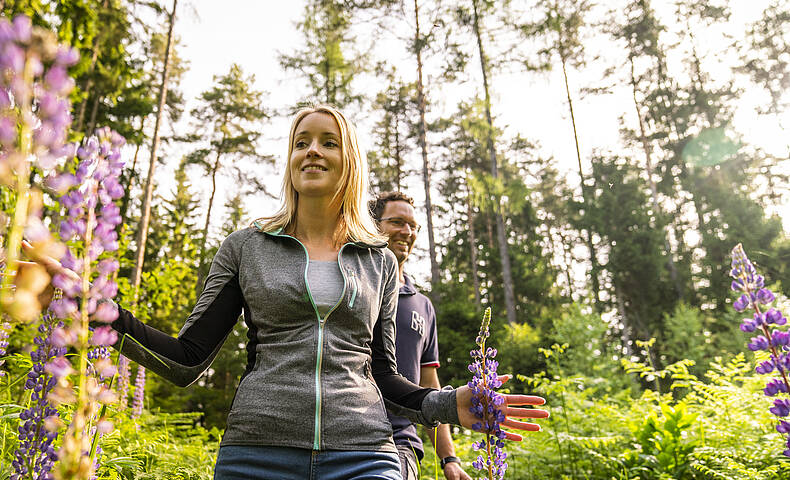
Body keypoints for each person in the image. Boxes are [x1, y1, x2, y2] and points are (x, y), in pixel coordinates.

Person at [28, 104, 549, 479]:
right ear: (290, 161)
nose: (313, 151)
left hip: (365, 453)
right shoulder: (245, 247)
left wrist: (443, 403)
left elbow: (385, 377)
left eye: (328, 141)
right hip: (258, 451)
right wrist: (94, 309)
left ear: (350, 161)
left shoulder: (380, 262)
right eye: (302, 142)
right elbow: (187, 360)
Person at [371, 191, 470, 480]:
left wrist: (449, 457)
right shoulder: (352, 285)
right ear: (374, 225)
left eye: (413, 226)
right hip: (341, 437)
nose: (407, 232)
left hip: (400, 442)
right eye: (397, 222)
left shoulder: (423, 306)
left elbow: (429, 384)